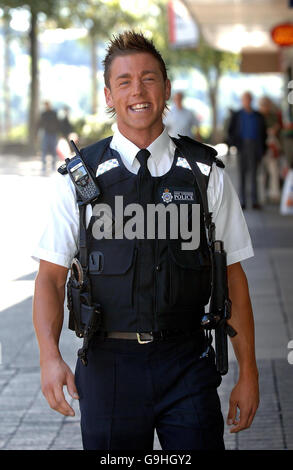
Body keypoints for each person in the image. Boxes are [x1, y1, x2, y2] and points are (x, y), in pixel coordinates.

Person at [32, 31, 259, 451]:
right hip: (108, 368)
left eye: (149, 78)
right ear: (108, 95)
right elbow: (49, 277)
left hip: (188, 364)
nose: (138, 90)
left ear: (166, 88)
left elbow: (234, 277)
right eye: (124, 81)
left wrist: (249, 374)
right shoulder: (78, 180)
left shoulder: (205, 174)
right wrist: (49, 356)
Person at [228, 91, 267, 209]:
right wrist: (234, 144)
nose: (247, 101)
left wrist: (263, 148)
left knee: (254, 174)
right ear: (242, 101)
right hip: (242, 146)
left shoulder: (258, 115)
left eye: (249, 99)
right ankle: (242, 200)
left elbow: (263, 133)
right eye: (245, 99)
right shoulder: (237, 115)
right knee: (242, 174)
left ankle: (254, 201)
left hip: (255, 146)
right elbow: (231, 131)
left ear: (251, 100)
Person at [258, 96, 282, 204]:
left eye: (266, 105)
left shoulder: (273, 116)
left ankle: (274, 194)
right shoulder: (257, 116)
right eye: (263, 105)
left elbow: (278, 127)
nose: (265, 107)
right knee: (261, 173)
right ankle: (261, 195)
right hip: (261, 148)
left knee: (274, 171)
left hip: (272, 148)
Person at [37, 101, 60, 172]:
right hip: (46, 134)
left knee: (53, 150)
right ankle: (44, 166)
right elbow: (40, 124)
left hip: (53, 134)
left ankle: (53, 166)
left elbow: (58, 123)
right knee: (44, 150)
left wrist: (59, 133)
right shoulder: (43, 114)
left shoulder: (54, 113)